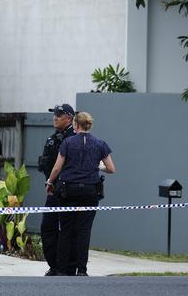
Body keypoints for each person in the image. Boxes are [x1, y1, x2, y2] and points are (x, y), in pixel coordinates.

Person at [45, 111, 115, 276]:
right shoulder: (100, 144)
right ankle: (81, 269)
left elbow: (57, 167)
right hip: (91, 191)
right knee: (84, 230)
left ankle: (62, 269)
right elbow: (111, 169)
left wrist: (49, 182)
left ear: (75, 124)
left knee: (66, 230)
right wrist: (98, 166)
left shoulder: (68, 143)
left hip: (69, 190)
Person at [37, 103, 76, 276]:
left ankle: (66, 267)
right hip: (53, 190)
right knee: (47, 228)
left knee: (67, 231)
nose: (55, 117)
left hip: (68, 190)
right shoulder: (53, 138)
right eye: (55, 114)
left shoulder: (73, 138)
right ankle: (54, 265)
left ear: (69, 118)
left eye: (59, 115)